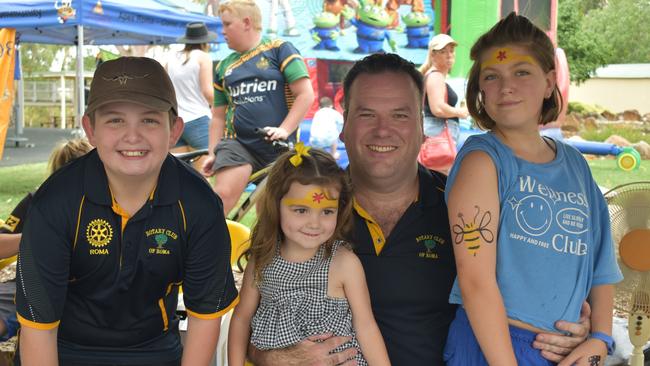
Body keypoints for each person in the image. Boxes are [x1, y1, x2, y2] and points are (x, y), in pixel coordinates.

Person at [247, 53, 594, 365]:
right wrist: (275, 358)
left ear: (423, 130)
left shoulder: (465, 204)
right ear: (344, 127)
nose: (383, 130)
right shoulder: (305, 208)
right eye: (367, 114)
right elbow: (252, 316)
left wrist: (573, 326)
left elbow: (544, 280)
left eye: (400, 115)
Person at [15, 57, 239, 366]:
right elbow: (39, 327)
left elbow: (204, 318)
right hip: (66, 349)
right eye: (115, 120)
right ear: (89, 129)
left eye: (149, 120)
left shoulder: (199, 205)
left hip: (154, 349)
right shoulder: (55, 202)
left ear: (174, 130)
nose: (132, 136)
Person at [444, 13, 622, 366]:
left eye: (522, 72)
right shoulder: (484, 161)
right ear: (480, 89)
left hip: (568, 351)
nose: (506, 86)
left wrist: (601, 338)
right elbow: (475, 281)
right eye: (491, 77)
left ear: (549, 82)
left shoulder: (576, 166)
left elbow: (602, 267)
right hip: (495, 349)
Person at [228, 144, 390, 366]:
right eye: (301, 210)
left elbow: (366, 326)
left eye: (327, 212)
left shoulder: (343, 263)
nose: (314, 223)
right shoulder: (262, 259)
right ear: (276, 205)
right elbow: (242, 318)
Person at [203, 0, 314, 214]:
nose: (222, 31)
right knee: (222, 195)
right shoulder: (223, 66)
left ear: (246, 22)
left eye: (227, 24)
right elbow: (218, 116)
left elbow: (305, 94)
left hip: (279, 147)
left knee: (272, 214)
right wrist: (212, 152)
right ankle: (201, 245)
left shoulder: (279, 49)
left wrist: (284, 129)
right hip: (238, 144)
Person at [0, 138, 93, 344]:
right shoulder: (38, 200)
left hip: (89, 289)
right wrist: (37, 235)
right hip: (29, 283)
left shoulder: (106, 206)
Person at [166, 22, 217, 169]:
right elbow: (207, 91)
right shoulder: (203, 57)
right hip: (198, 119)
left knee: (181, 175)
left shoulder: (171, 59)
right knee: (201, 177)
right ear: (205, 41)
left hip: (175, 122)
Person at [418, 33, 469, 170]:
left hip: (433, 133)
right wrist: (461, 112)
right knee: (441, 182)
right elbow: (438, 109)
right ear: (433, 55)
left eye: (451, 51)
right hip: (438, 134)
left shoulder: (432, 75)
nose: (449, 55)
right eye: (443, 52)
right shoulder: (436, 76)